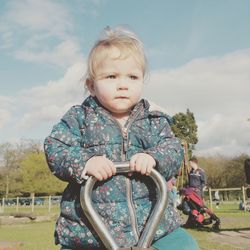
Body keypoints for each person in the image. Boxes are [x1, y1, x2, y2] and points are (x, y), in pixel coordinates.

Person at [44, 26, 199, 250]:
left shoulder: (153, 120)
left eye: (132, 77)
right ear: (91, 85)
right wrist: (85, 162)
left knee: (187, 246)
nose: (123, 84)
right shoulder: (79, 118)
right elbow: (55, 147)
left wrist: (153, 157)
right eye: (111, 76)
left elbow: (174, 149)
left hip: (155, 227)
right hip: (91, 233)